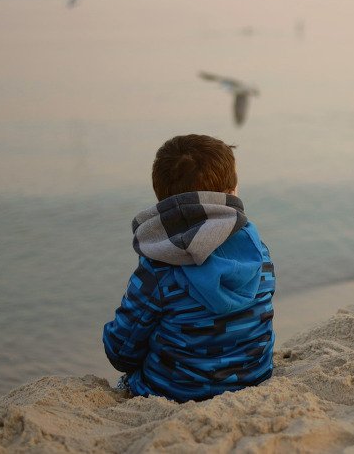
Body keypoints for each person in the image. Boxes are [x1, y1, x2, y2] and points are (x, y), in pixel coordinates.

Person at [102, 134, 275, 402]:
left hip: (176, 392)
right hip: (256, 378)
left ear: (161, 198)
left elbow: (121, 351)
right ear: (231, 193)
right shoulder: (257, 250)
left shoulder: (159, 266)